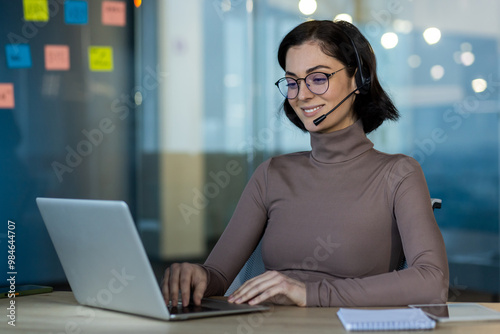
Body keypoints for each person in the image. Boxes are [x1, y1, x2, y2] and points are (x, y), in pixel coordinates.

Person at [162, 20, 449, 308]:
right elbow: (218, 276)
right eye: (292, 82)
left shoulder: (398, 174)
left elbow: (432, 282)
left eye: (318, 78)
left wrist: (308, 294)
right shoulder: (272, 174)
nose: (302, 94)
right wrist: (195, 275)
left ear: (358, 80)